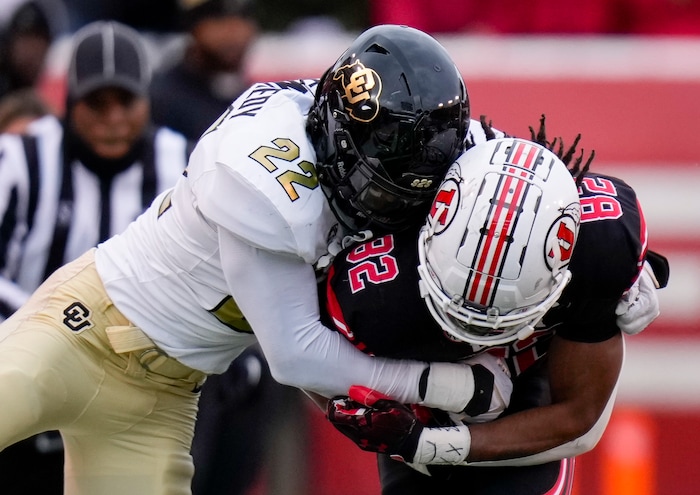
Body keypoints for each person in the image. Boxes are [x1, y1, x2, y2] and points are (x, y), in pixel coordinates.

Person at [0, 24, 508, 494]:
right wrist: (451, 386)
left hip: (161, 397)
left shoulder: (417, 136)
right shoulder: (263, 169)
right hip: (80, 330)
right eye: (376, 178)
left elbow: (509, 170)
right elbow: (296, 354)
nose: (385, 205)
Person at [325, 134, 668, 494]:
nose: (474, 328)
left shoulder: (597, 248)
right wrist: (382, 419)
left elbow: (578, 416)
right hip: (418, 372)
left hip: (531, 375)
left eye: (500, 314)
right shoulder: (373, 284)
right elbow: (299, 356)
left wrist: (425, 444)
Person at [0, 20, 192, 494]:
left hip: (139, 385)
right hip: (26, 364)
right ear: (70, 103)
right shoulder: (21, 160)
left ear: (146, 101)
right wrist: (43, 328)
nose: (112, 119)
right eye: (96, 103)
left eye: (124, 102)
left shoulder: (183, 166)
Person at [149, 0, 258, 141]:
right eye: (220, 20)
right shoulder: (161, 100)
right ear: (194, 26)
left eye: (243, 17)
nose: (234, 31)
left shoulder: (254, 96)